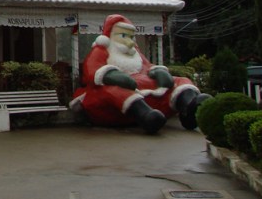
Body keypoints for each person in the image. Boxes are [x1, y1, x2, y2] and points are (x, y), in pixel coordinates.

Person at [70, 14, 210, 134]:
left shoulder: (134, 53)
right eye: (123, 36)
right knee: (113, 91)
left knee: (180, 80)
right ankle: (144, 115)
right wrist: (111, 75)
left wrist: (158, 71)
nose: (129, 42)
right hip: (113, 98)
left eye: (131, 37)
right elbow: (92, 71)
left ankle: (189, 107)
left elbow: (147, 65)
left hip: (145, 88)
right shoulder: (101, 50)